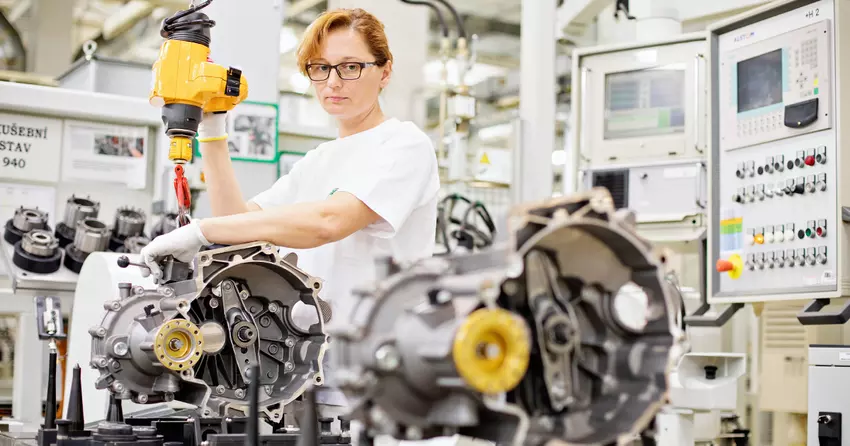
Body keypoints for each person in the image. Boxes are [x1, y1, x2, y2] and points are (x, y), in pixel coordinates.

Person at [140, 7, 441, 405]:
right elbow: (243, 226)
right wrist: (213, 130)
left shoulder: (404, 145)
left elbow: (329, 222)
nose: (333, 81)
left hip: (380, 371)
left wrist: (200, 232)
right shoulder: (317, 160)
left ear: (384, 72)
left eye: (350, 67)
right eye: (320, 68)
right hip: (304, 366)